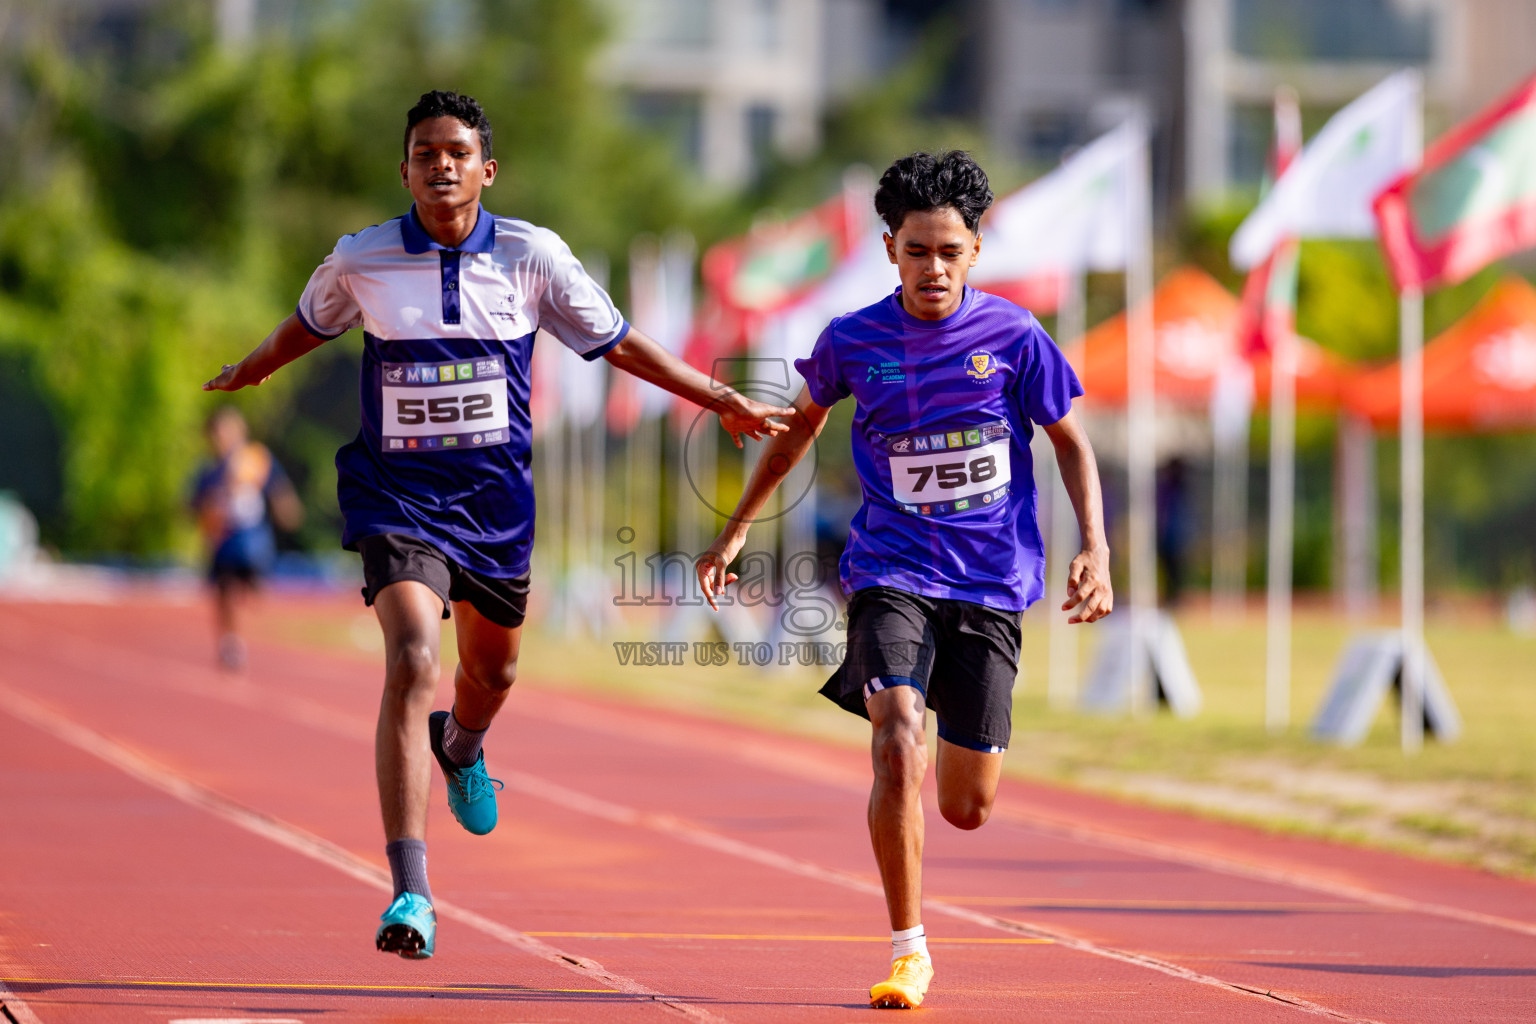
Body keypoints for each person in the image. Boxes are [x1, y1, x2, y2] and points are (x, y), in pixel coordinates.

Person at [204, 90, 791, 960]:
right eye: (424, 152)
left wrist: (716, 395)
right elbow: (307, 325)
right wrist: (251, 371)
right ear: (403, 169)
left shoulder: (531, 256)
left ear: (487, 168)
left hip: (493, 507)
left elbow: (618, 342)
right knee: (411, 658)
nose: (440, 164)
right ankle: (411, 891)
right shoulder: (362, 260)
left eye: (456, 151)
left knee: (495, 670)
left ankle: (463, 743)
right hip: (395, 497)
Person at [696, 151, 1113, 1009]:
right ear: (890, 248)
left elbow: (1072, 442)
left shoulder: (1015, 338)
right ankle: (909, 949)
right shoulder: (851, 341)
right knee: (896, 737)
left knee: (967, 806)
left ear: (975, 251)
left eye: (950, 251)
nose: (933, 268)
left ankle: (960, 765)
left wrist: (1096, 548)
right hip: (889, 567)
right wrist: (735, 530)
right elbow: (796, 435)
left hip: (991, 581)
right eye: (917, 250)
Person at [190, 405, 304, 671]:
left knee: (250, 579)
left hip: (253, 538)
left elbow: (277, 486)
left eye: (228, 431)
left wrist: (287, 507)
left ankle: (256, 589)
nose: (223, 439)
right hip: (223, 539)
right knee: (224, 590)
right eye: (218, 434)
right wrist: (210, 506)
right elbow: (194, 505)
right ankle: (230, 643)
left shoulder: (256, 459)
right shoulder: (208, 470)